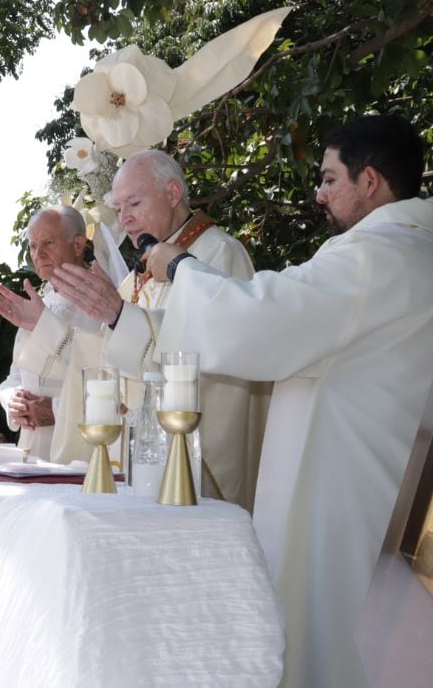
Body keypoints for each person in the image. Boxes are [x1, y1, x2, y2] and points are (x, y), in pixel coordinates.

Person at [146, 115, 433, 687]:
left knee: (314, 638)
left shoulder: (371, 257)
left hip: (334, 482)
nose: (320, 193)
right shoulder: (418, 255)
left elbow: (260, 317)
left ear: (370, 181)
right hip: (379, 473)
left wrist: (179, 268)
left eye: (330, 179)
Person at [45, 150, 268, 509]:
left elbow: (216, 349)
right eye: (118, 209)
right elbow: (104, 355)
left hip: (191, 463)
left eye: (133, 203)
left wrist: (120, 316)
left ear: (173, 194)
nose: (126, 218)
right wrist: (41, 326)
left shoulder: (218, 255)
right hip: (137, 457)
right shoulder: (139, 274)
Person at [0, 205, 105, 463]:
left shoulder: (103, 303)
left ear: (78, 245)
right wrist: (14, 401)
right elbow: (14, 376)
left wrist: (54, 410)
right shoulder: (39, 304)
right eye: (32, 246)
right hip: (30, 446)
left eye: (48, 243)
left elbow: (108, 383)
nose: (38, 254)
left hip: (78, 447)